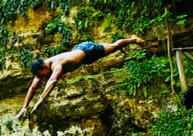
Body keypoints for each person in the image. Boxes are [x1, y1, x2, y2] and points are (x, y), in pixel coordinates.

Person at [16, 35, 147, 118]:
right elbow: (32, 88)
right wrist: (24, 107)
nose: (41, 77)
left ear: (43, 67)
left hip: (88, 51)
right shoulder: (42, 70)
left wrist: (40, 100)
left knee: (114, 46)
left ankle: (133, 39)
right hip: (78, 52)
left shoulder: (57, 64)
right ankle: (126, 42)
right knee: (113, 47)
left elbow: (53, 81)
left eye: (41, 74)